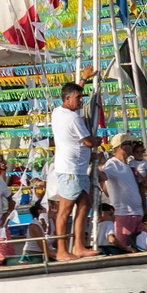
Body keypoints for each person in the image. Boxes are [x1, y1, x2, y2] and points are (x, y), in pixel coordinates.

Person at [51, 82, 100, 260]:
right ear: (67, 99)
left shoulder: (58, 111)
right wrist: (97, 141)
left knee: (85, 203)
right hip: (70, 169)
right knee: (65, 210)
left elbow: (70, 92)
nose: (81, 101)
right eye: (79, 98)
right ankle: (62, 250)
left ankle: (79, 245)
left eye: (82, 97)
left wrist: (83, 80)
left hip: (77, 169)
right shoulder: (73, 118)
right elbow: (87, 141)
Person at [99, 133, 145, 250]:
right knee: (125, 249)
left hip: (137, 214)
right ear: (121, 146)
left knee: (140, 248)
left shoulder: (128, 165)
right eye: (130, 144)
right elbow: (103, 177)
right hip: (123, 215)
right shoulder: (112, 163)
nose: (133, 146)